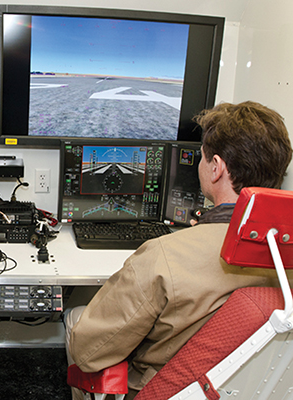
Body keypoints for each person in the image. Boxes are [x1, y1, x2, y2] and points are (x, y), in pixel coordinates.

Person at [65, 101, 293, 399]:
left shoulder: (165, 255)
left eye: (201, 157)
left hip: (165, 388)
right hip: (253, 387)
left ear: (216, 167)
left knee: (75, 319)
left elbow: (89, 353)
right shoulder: (284, 255)